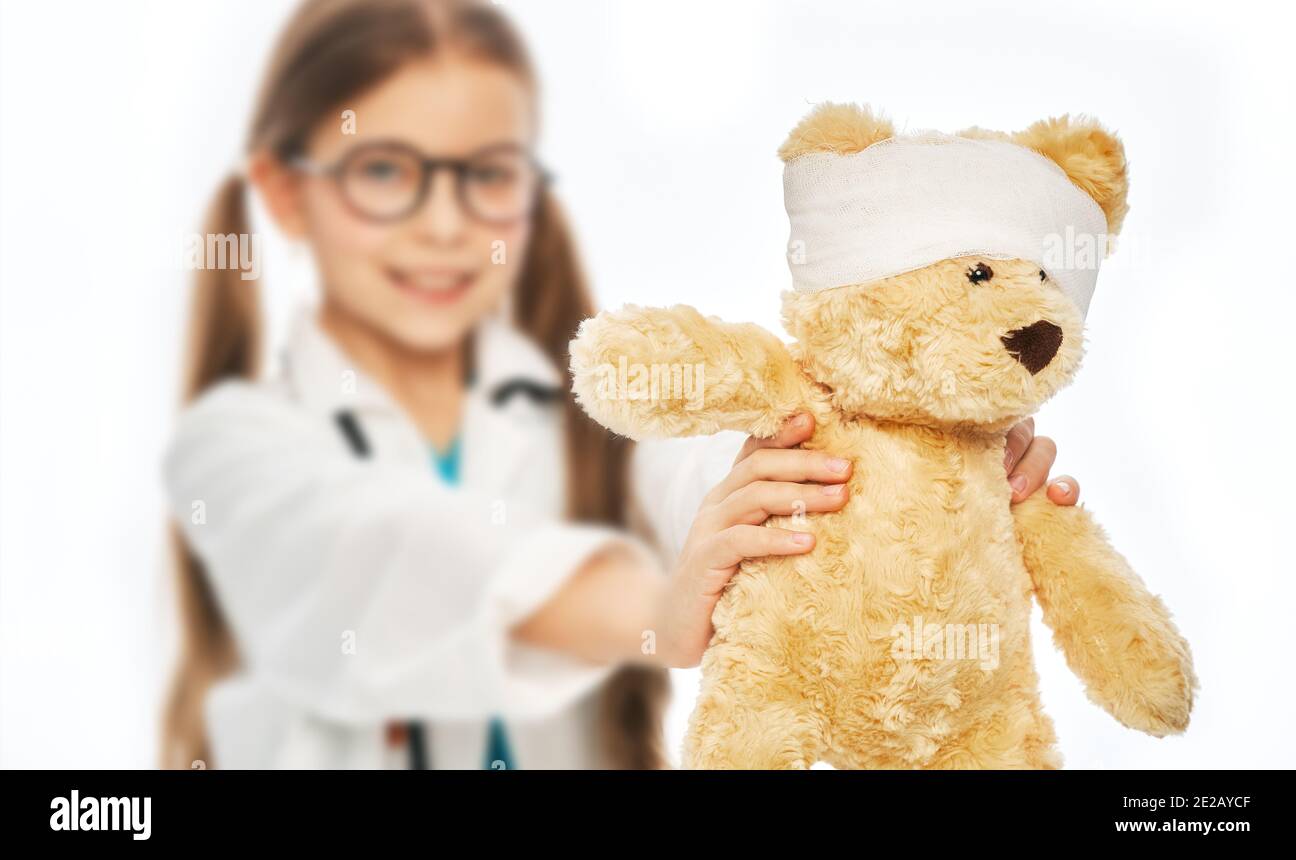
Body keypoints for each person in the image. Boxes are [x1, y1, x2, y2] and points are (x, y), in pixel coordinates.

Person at [161, 0, 1078, 770]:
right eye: (387, 171)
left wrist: (891, 464)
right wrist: (657, 614)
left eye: (486, 174)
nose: (444, 222)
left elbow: (700, 472)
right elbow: (422, 572)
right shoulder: (236, 445)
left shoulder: (581, 421)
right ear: (284, 193)